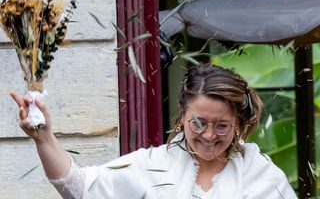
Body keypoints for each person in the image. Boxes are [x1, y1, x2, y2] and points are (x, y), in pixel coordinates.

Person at [11, 64, 296, 199]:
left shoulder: (263, 178)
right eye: (199, 123)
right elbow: (79, 187)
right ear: (182, 116)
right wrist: (44, 137)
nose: (209, 136)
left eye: (222, 126)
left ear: (238, 125)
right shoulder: (151, 165)